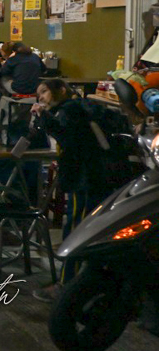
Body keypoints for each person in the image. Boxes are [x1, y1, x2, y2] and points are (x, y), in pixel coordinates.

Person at [31, 79, 135, 302]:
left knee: (77, 227)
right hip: (100, 177)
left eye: (44, 92)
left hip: (85, 179)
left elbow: (70, 139)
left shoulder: (71, 110)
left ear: (60, 90)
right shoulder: (82, 107)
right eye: (38, 94)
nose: (40, 97)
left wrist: (44, 118)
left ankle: (68, 284)